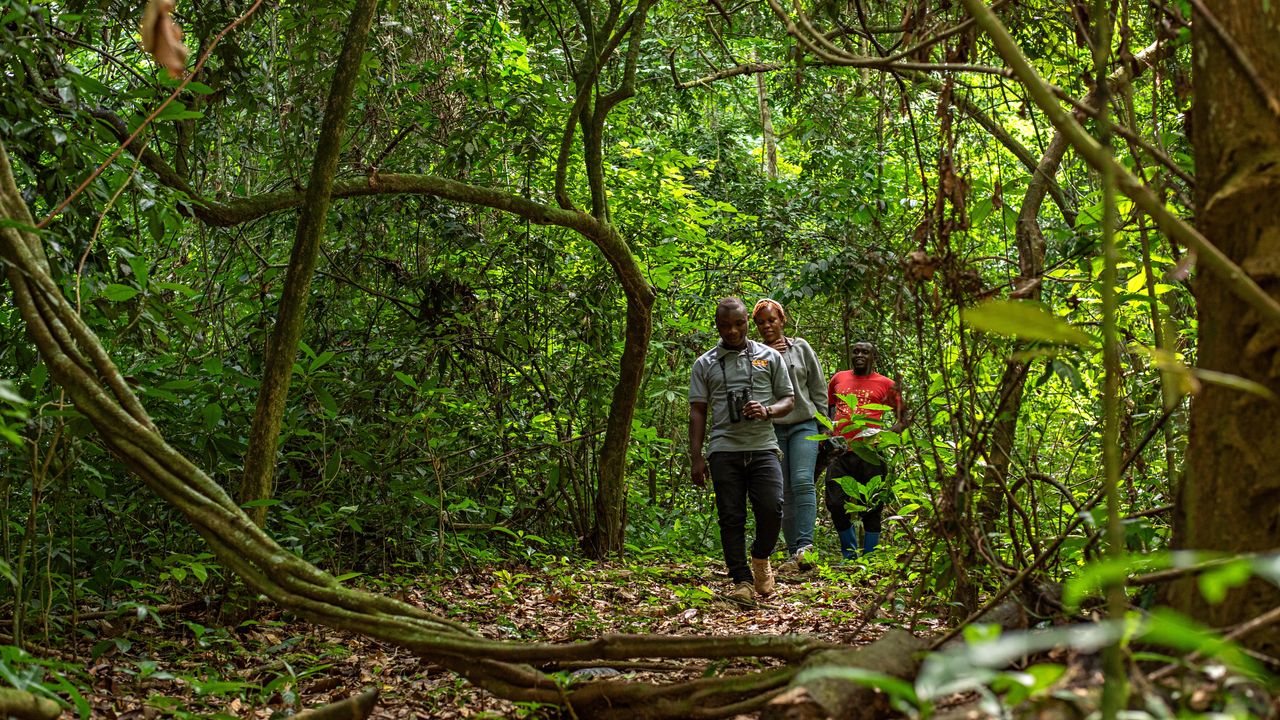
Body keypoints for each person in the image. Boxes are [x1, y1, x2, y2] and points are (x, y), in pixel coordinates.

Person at [690, 298, 796, 605]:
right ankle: (741, 580)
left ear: (747, 323)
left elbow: (788, 399)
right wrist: (696, 457)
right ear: (717, 326)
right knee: (730, 516)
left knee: (772, 507)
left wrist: (767, 410)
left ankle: (761, 557)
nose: (733, 331)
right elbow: (697, 411)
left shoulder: (768, 356)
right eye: (725, 326)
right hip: (724, 448)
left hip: (763, 446)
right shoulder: (705, 363)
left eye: (739, 324)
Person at [751, 299, 827, 571]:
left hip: (804, 424)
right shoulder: (754, 353)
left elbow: (818, 387)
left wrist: (825, 425)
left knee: (803, 481)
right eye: (761, 323)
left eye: (771, 320)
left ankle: (806, 546)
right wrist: (769, 354)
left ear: (782, 320)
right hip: (772, 427)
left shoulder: (801, 347)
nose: (767, 326)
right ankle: (794, 552)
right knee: (782, 491)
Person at [825, 340, 907, 559]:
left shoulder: (886, 384)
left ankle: (870, 559)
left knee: (872, 506)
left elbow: (904, 417)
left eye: (865, 352)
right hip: (840, 453)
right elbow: (829, 408)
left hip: (870, 453)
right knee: (834, 502)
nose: (859, 355)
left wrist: (884, 436)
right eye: (856, 351)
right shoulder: (838, 379)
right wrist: (829, 433)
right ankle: (849, 554)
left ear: (873, 357)